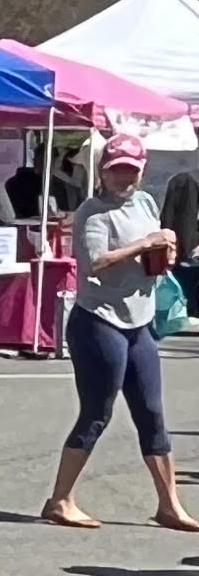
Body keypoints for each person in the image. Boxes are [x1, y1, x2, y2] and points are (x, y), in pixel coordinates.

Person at [41, 131, 196, 532]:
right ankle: (60, 500)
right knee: (97, 413)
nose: (122, 178)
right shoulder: (93, 212)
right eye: (115, 171)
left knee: (152, 413)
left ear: (141, 171)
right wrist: (146, 243)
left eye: (130, 170)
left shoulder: (144, 201)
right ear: (102, 172)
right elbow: (96, 263)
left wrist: (166, 250)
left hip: (139, 320)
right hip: (99, 322)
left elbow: (153, 248)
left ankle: (169, 505)